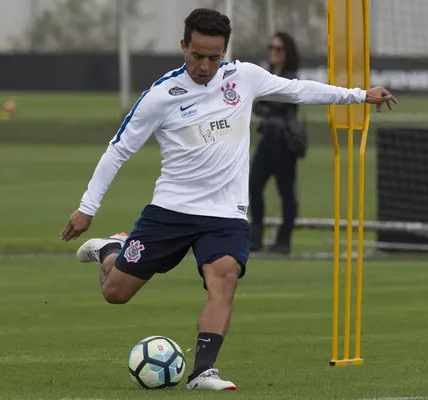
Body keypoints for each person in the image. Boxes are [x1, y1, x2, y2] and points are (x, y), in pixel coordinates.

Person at [60, 8, 397, 392]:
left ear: (225, 51)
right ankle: (109, 249)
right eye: (197, 55)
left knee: (224, 279)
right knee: (115, 293)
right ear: (183, 46)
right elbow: (117, 150)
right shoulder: (159, 96)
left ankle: (203, 371)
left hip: (225, 214)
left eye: (213, 57)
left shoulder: (245, 77)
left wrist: (359, 95)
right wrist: (88, 207)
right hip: (170, 210)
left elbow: (298, 89)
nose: (204, 66)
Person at [249, 32, 303, 255]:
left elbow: (285, 107)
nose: (273, 52)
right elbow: (257, 106)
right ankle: (256, 236)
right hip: (267, 141)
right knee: (253, 186)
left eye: (278, 49)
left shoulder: (291, 77)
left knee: (286, 193)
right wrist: (269, 108)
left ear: (287, 53)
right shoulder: (265, 75)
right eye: (271, 47)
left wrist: (269, 108)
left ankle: (284, 239)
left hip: (284, 144)